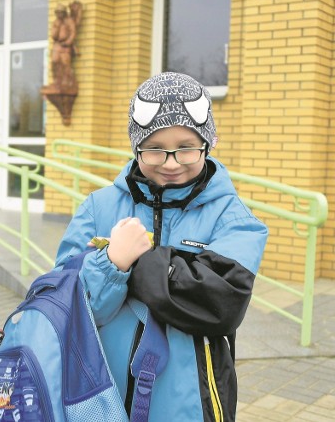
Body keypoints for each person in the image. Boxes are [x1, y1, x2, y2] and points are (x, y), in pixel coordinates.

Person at [54, 72, 268, 421]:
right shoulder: (98, 208)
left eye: (186, 147)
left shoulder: (232, 216)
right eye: (154, 149)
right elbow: (67, 306)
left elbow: (218, 303)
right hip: (98, 399)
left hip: (189, 404)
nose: (171, 163)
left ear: (208, 142)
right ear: (136, 147)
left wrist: (131, 263)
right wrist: (110, 264)